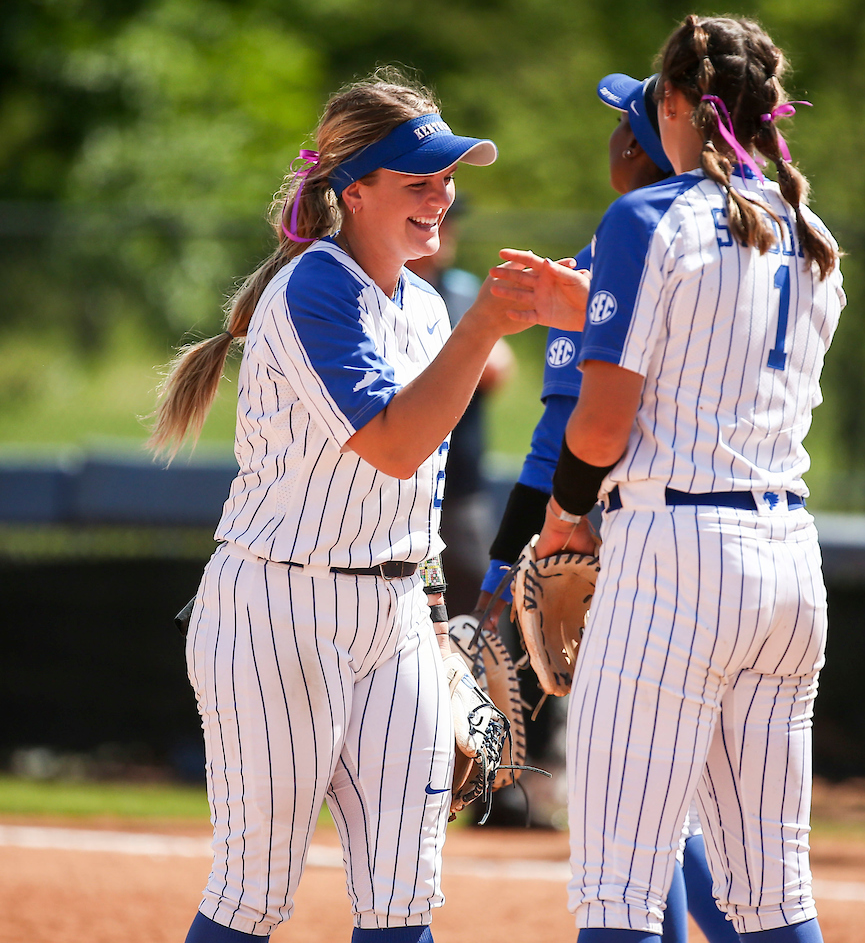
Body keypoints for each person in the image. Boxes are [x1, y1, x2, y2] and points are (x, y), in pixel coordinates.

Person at [149, 69, 572, 943]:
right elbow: (391, 443)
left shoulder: (420, 302)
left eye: (448, 179)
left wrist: (434, 615)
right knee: (253, 892)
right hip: (278, 610)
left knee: (404, 893)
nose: (441, 197)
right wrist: (485, 326)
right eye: (418, 181)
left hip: (392, 614)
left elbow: (413, 489)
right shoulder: (314, 288)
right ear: (353, 190)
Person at [492, 15, 844, 943]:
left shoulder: (647, 216)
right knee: (772, 894)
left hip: (676, 558)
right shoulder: (814, 233)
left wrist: (566, 515)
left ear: (681, 105)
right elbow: (716, 352)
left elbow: (601, 426)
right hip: (787, 562)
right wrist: (589, 304)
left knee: (618, 890)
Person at [477, 70, 736, 943]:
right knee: (714, 827)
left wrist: (499, 568)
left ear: (646, 142)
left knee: (626, 813)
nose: (614, 142)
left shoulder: (613, 254)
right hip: (758, 551)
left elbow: (563, 442)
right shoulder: (763, 237)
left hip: (638, 555)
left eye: (625, 125)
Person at [408, 201, 516, 616]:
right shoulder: (379, 288)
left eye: (449, 221)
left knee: (481, 602)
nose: (446, 231)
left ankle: (486, 683)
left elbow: (498, 367)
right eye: (437, 221)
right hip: (397, 478)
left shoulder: (459, 289)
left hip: (459, 482)